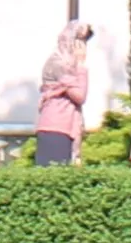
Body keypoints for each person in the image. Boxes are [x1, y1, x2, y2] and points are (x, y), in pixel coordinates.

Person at [33, 20, 93, 165]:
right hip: (55, 126)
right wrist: (81, 65)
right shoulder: (57, 64)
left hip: (67, 126)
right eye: (80, 42)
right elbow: (79, 96)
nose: (82, 48)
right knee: (53, 173)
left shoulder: (69, 66)